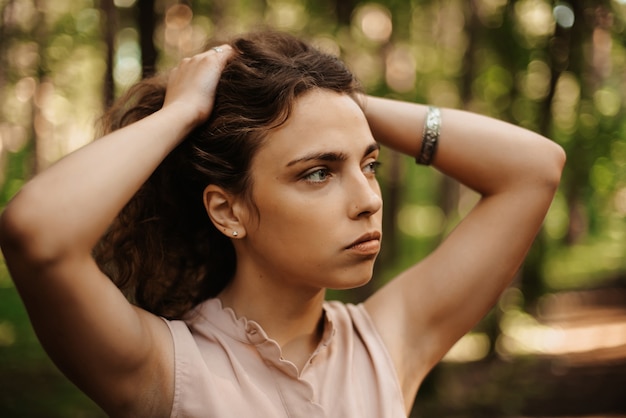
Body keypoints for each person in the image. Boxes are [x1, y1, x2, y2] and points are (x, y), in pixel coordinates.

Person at [0, 31, 565, 417]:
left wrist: (344, 105)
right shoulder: (168, 369)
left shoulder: (384, 345)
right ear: (229, 211)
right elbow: (37, 233)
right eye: (318, 173)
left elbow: (535, 168)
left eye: (368, 164)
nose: (368, 199)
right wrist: (183, 113)